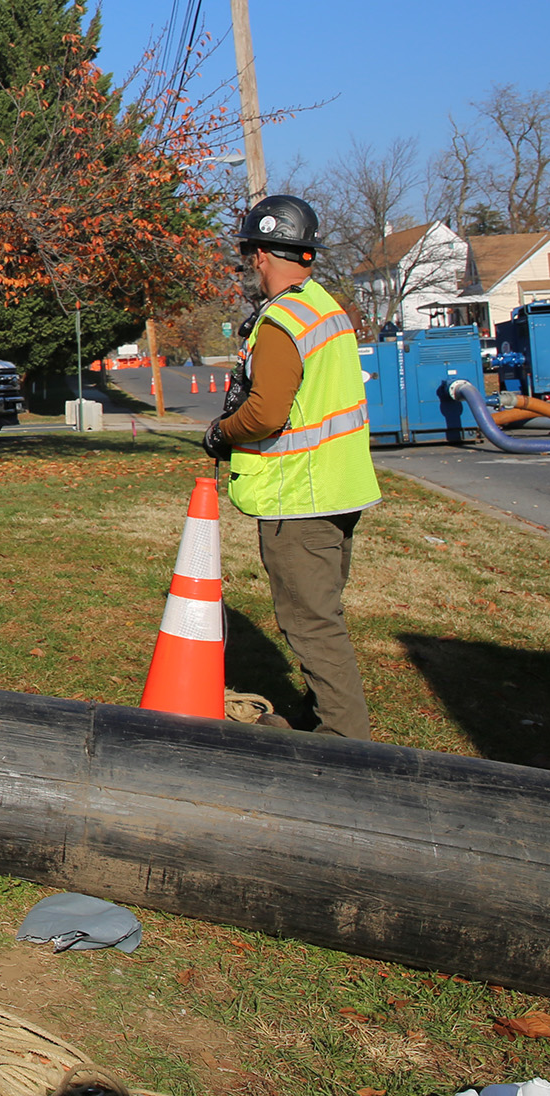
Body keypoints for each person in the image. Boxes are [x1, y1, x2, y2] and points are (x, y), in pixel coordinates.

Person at [204, 195, 382, 740]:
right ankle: (318, 712)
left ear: (259, 254)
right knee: (321, 615)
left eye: (250, 257)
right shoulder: (325, 308)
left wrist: (219, 433)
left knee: (311, 624)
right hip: (339, 489)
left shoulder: (281, 321)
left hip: (300, 499)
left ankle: (344, 741)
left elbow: (264, 413)